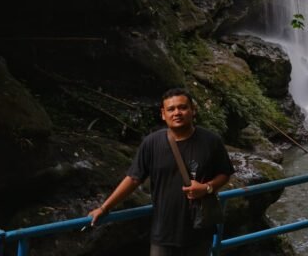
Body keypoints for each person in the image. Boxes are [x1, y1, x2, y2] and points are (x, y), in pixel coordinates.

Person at [89, 88, 234, 256]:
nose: (177, 113)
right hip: (163, 232)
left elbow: (224, 173)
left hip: (199, 230)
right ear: (163, 114)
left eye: (182, 107)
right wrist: (104, 207)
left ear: (193, 110)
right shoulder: (152, 143)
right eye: (171, 109)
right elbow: (133, 178)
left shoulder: (211, 141)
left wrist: (207, 188)